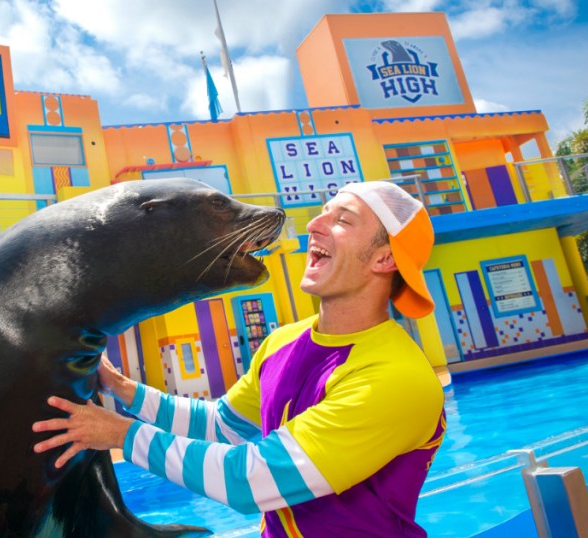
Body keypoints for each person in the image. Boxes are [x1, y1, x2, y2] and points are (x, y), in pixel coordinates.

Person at [33, 181, 446, 537]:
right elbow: (222, 425)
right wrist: (124, 390)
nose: (314, 224)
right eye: (322, 213)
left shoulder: (395, 378)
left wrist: (121, 434)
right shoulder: (286, 340)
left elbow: (249, 480)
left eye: (343, 220)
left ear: (385, 259)